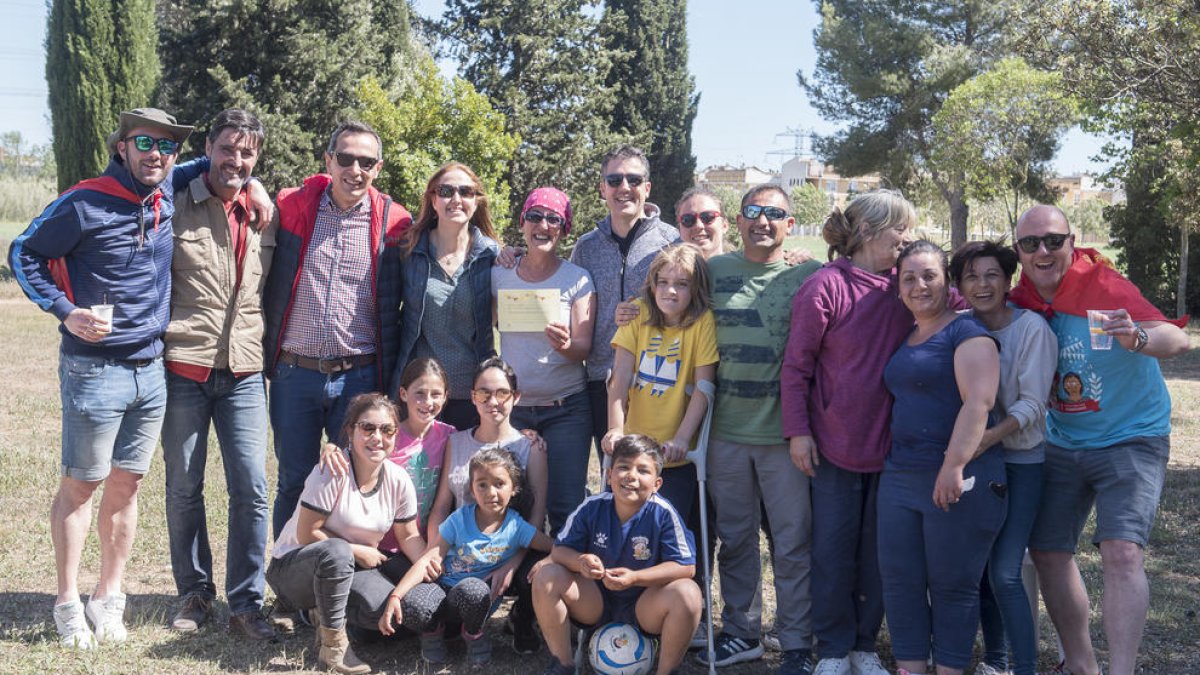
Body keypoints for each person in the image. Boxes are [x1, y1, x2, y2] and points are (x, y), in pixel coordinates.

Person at [7, 107, 260, 648]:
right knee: (82, 486)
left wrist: (255, 181)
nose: (156, 153)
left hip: (152, 370)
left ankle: (110, 598)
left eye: (166, 146)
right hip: (93, 368)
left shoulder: (168, 188)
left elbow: (226, 164)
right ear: (121, 145)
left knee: (127, 485)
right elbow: (23, 251)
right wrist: (63, 308)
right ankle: (68, 603)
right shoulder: (84, 201)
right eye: (144, 142)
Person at [1008, 205, 1190, 675]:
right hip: (1062, 440)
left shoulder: (1104, 287)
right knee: (1048, 551)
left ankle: (1123, 670)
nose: (1043, 251)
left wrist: (1137, 340)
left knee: (1122, 550)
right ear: (1018, 252)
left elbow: (1176, 339)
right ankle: (1082, 665)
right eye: (1030, 244)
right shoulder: (1021, 300)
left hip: (1132, 437)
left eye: (1053, 240)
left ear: (1072, 241)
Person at [780, 189, 918, 675]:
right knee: (833, 551)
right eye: (899, 227)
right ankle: (834, 648)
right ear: (867, 231)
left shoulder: (909, 284)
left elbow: (961, 301)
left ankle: (864, 643)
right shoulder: (826, 285)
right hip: (832, 447)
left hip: (894, 447)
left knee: (879, 553)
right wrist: (798, 432)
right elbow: (796, 367)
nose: (907, 237)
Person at [262, 120, 412, 538]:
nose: (355, 169)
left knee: (354, 481)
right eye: (345, 158)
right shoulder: (293, 206)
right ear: (328, 160)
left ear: (378, 168)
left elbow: (447, 245)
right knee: (294, 482)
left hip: (358, 377)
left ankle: (340, 588)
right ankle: (290, 582)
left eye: (366, 161)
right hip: (296, 372)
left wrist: (504, 253)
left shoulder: (395, 222)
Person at [160, 108, 277, 640]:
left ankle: (246, 603)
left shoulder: (261, 215)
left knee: (251, 488)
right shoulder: (174, 199)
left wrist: (258, 187)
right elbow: (154, 171)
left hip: (245, 370)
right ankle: (194, 591)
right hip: (184, 365)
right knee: (184, 486)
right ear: (208, 147)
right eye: (227, 148)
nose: (236, 160)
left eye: (247, 152)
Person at [700, 185, 821, 674]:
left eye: (775, 213)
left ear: (790, 224)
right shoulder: (712, 272)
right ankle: (742, 632)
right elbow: (666, 300)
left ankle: (795, 642)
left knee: (793, 542)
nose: (763, 221)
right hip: (725, 432)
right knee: (735, 540)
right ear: (739, 219)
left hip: (786, 435)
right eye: (754, 211)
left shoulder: (809, 274)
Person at [877, 240, 1006, 675]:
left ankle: (950, 668)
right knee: (900, 582)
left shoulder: (967, 334)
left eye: (929, 275)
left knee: (952, 585)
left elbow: (978, 404)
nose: (919, 286)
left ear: (947, 282)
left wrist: (953, 466)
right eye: (908, 278)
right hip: (900, 475)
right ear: (898, 287)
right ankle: (911, 667)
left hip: (958, 476)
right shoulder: (909, 334)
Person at [949, 240, 1057, 675]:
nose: (982, 284)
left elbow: (1033, 405)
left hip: (1020, 462)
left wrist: (988, 437)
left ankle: (1024, 667)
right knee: (978, 572)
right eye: (971, 276)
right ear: (959, 285)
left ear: (1009, 280)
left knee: (1006, 572)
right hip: (977, 463)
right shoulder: (958, 327)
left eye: (992, 274)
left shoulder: (1032, 329)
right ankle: (996, 661)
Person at [266, 393, 427, 674]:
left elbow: (408, 536)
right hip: (293, 570)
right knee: (337, 551)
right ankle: (334, 648)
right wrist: (357, 550)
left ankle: (326, 612)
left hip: (351, 570)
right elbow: (307, 534)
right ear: (351, 431)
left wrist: (430, 564)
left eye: (387, 430)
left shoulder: (398, 478)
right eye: (368, 428)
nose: (377, 437)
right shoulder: (333, 469)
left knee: (382, 609)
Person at [532, 434, 702, 675]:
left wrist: (635, 578)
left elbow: (686, 567)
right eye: (624, 467)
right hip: (595, 600)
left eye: (643, 470)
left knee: (688, 592)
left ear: (657, 484)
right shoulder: (592, 506)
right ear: (610, 475)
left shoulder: (663, 513)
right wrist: (580, 562)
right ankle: (563, 665)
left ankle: (668, 671)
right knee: (547, 575)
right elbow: (559, 550)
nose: (632, 476)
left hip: (646, 606)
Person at [380, 447, 555, 666]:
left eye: (499, 484)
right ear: (472, 490)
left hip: (477, 598)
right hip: (443, 589)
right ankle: (433, 632)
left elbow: (553, 547)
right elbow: (428, 559)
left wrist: (554, 559)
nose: (490, 492)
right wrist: (396, 596)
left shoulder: (517, 527)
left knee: (473, 590)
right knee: (413, 602)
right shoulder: (459, 519)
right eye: (482, 484)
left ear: (515, 488)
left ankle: (473, 633)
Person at [425, 357, 549, 654]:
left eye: (502, 393)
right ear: (472, 397)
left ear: (516, 397)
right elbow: (442, 504)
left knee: (535, 574)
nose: (493, 401)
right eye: (484, 393)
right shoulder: (456, 442)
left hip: (509, 551)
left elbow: (535, 517)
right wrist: (433, 552)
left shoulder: (531, 448)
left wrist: (512, 563)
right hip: (460, 552)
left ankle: (522, 618)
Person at [492, 187, 595, 535]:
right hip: (513, 411)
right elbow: (489, 321)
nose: (543, 225)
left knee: (565, 505)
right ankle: (521, 584)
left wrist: (566, 344)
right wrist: (503, 255)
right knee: (514, 503)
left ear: (564, 230)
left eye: (554, 219)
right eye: (535, 216)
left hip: (566, 409)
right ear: (522, 223)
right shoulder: (499, 272)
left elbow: (582, 348)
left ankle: (566, 581)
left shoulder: (577, 278)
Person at [569, 145, 680, 462]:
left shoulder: (671, 241)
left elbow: (688, 304)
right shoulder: (586, 247)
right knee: (611, 473)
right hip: (599, 380)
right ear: (603, 188)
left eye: (633, 179)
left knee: (651, 474)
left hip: (657, 381)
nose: (624, 188)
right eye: (615, 180)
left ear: (647, 188)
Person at [605, 243, 717, 529]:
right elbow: (618, 380)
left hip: (673, 455)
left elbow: (704, 388)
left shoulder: (702, 322)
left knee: (665, 530)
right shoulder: (637, 313)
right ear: (652, 285)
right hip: (632, 449)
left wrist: (682, 438)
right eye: (663, 282)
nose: (671, 291)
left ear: (696, 289)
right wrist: (616, 429)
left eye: (682, 284)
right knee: (621, 527)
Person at [393, 163, 501, 431]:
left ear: (476, 201)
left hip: (473, 394)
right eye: (446, 191)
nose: (456, 199)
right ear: (433, 199)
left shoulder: (493, 257)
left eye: (465, 191)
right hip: (423, 395)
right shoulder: (409, 251)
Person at [319, 357, 455, 546]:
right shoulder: (386, 436)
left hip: (420, 542)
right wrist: (333, 447)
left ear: (445, 396)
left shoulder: (450, 436)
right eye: (420, 393)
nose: (428, 402)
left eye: (436, 394)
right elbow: (352, 453)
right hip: (377, 543)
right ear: (403, 393)